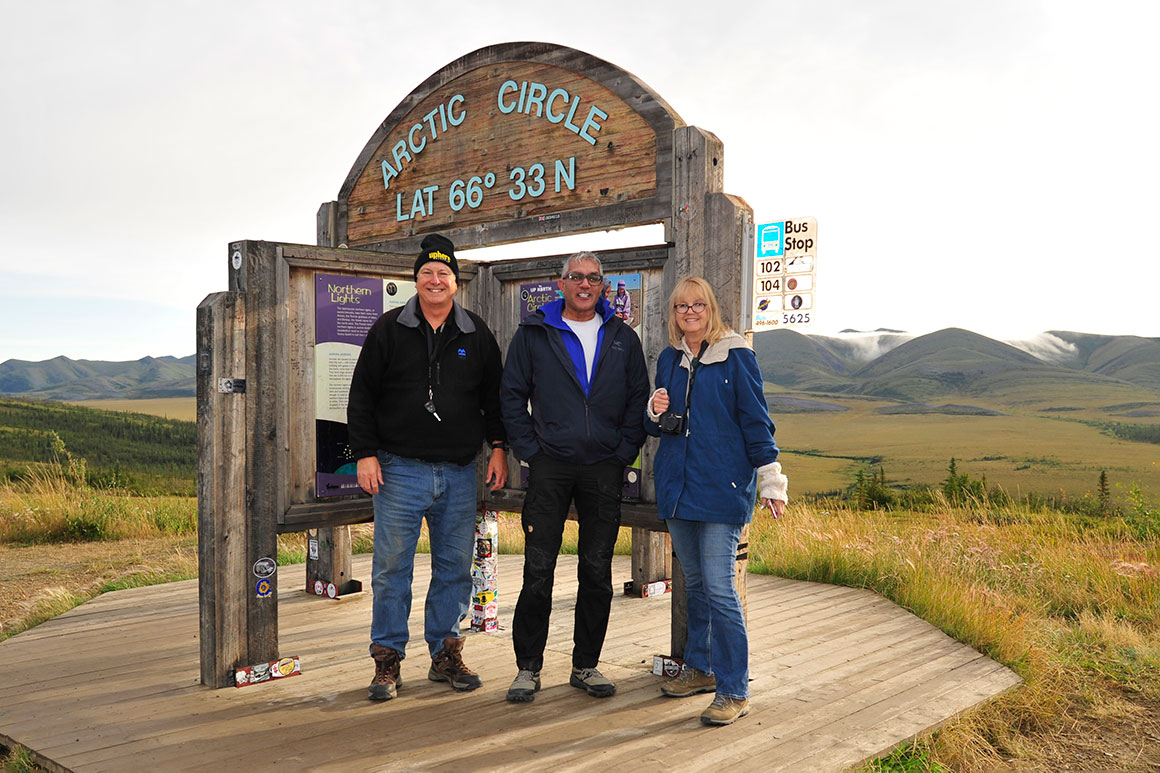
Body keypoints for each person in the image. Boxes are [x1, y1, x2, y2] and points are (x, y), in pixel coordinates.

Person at [347, 233, 509, 702]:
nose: (435, 280)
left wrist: (498, 447)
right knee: (391, 570)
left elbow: (492, 399)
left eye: (444, 274)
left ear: (456, 283)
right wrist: (365, 452)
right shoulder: (387, 329)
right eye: (426, 273)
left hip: (459, 472)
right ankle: (387, 664)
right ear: (415, 281)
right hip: (398, 471)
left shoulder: (475, 333)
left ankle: (446, 654)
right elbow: (361, 396)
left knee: (455, 569)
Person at [500, 251, 650, 703]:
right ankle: (528, 668)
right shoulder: (533, 333)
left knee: (597, 570)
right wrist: (530, 453)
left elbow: (637, 400)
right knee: (537, 569)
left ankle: (586, 665)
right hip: (550, 467)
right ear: (559, 283)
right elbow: (511, 397)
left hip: (603, 469)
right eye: (576, 277)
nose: (584, 284)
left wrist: (622, 453)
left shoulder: (623, 336)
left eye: (593, 278)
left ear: (603, 286)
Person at [645, 276, 788, 726]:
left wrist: (771, 480)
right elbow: (658, 426)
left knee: (722, 591)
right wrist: (654, 409)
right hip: (679, 488)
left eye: (698, 304)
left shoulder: (736, 356)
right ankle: (701, 669)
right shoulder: (669, 359)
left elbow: (756, 421)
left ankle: (734, 688)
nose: (690, 312)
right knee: (698, 585)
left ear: (712, 310)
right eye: (682, 306)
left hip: (722, 489)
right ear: (674, 314)